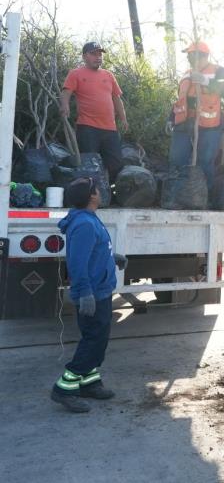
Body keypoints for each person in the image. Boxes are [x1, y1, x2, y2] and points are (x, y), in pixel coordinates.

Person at [51, 177, 126, 413]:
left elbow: (95, 250)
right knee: (94, 341)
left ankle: (89, 383)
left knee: (95, 339)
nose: (100, 192)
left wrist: (113, 258)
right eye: (97, 189)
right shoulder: (84, 223)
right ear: (91, 196)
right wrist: (85, 293)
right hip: (93, 292)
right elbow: (77, 262)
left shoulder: (90, 218)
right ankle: (64, 389)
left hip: (100, 290)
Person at [168, 41, 224, 189]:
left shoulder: (219, 71)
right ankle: (176, 194)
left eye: (190, 55)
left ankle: (204, 197)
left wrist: (205, 81)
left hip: (211, 123)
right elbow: (181, 99)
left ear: (198, 55)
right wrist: (171, 118)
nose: (188, 59)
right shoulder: (187, 74)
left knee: (205, 160)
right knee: (177, 159)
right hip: (184, 122)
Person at [60, 42, 128, 180]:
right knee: (90, 163)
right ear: (85, 56)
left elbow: (116, 98)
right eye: (94, 54)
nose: (98, 57)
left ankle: (110, 195)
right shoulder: (76, 74)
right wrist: (65, 105)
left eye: (100, 54)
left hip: (110, 128)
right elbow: (66, 92)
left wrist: (123, 118)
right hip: (87, 127)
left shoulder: (108, 75)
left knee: (116, 163)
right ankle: (91, 196)